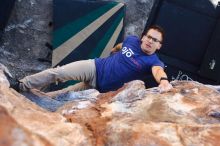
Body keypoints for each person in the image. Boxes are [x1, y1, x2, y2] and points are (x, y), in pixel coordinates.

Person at [8, 25, 173, 93]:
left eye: (156, 40)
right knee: (58, 72)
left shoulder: (154, 61)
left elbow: (158, 71)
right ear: (143, 37)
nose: (151, 41)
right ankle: (21, 85)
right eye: (149, 37)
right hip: (95, 68)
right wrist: (112, 51)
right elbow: (120, 46)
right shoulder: (132, 41)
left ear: (159, 46)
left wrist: (164, 81)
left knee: (59, 96)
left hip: (101, 91)